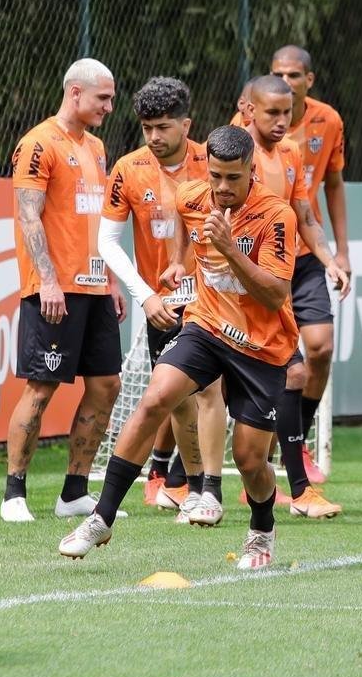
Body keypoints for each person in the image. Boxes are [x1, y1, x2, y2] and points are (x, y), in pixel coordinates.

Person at [61, 125, 297, 569]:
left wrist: (230, 251)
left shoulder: (276, 215)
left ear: (251, 171)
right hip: (206, 326)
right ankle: (101, 517)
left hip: (262, 347)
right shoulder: (192, 196)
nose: (223, 188)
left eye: (233, 178)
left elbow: (275, 294)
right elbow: (189, 231)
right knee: (155, 397)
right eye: (216, 176)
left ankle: (262, 529)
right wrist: (177, 263)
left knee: (249, 459)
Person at [97, 76, 227, 523]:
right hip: (162, 302)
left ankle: (210, 489)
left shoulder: (213, 164)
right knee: (177, 398)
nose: (155, 136)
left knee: (211, 388)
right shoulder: (128, 169)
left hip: (214, 299)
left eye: (164, 127)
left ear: (186, 124)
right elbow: (108, 242)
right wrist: (146, 296)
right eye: (147, 127)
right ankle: (191, 487)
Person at [3, 58, 126, 522]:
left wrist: (109, 278)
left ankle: (74, 491)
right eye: (103, 98)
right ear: (75, 92)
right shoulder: (37, 144)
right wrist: (48, 280)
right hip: (53, 288)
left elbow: (97, 221)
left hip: (95, 287)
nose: (110, 107)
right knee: (41, 387)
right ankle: (14, 492)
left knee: (107, 385)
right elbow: (28, 215)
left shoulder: (95, 147)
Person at [243, 74, 349, 519]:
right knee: (182, 394)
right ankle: (186, 482)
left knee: (304, 365)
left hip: (291, 271)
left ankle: (295, 484)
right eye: (272, 112)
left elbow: (305, 212)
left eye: (287, 112)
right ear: (247, 110)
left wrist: (329, 258)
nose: (282, 121)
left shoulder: (290, 152)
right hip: (251, 282)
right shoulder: (234, 153)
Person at [269, 45, 350, 480]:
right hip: (263, 263)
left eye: (294, 75)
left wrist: (341, 251)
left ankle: (294, 444)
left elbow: (332, 186)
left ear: (309, 80)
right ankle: (266, 459)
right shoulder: (246, 125)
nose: (285, 81)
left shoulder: (328, 121)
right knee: (278, 365)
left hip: (304, 255)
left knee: (320, 347)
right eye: (277, 74)